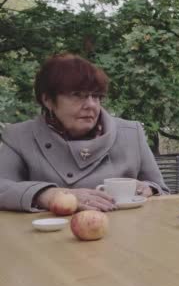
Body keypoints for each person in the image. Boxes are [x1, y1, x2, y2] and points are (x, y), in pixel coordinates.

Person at [0, 54, 169, 212]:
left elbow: (160, 189)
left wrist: (149, 189)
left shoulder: (131, 133)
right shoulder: (19, 136)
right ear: (48, 100)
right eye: (77, 95)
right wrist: (49, 195)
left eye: (95, 96)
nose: (91, 105)